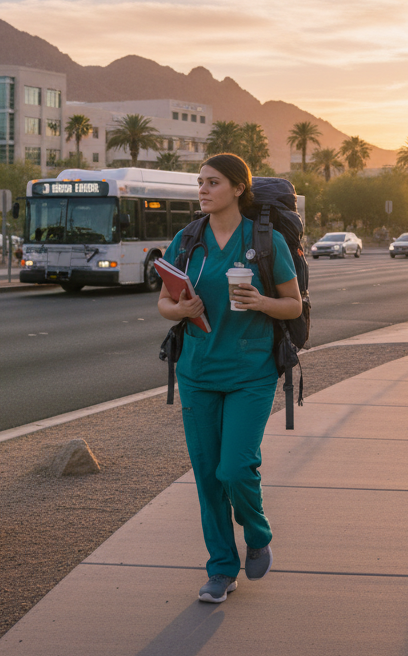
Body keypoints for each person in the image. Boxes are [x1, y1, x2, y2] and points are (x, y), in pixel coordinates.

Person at [157, 153, 303, 604]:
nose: (202, 190)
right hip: (197, 372)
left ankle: (257, 533)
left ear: (238, 188)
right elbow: (164, 301)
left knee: (235, 468)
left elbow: (295, 306)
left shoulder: (265, 240)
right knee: (207, 476)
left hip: (250, 372)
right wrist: (179, 310)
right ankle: (221, 568)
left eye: (213, 182)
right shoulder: (188, 239)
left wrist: (260, 301)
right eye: (200, 182)